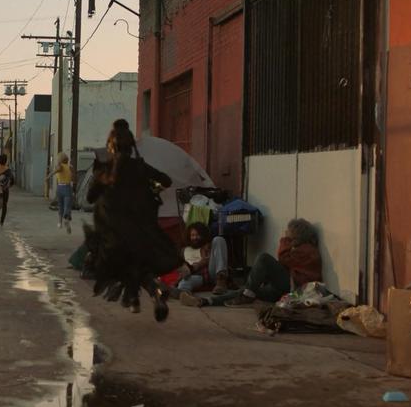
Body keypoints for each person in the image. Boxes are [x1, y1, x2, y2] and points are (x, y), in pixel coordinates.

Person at [86, 119, 181, 321]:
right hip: (141, 232)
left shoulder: (106, 170)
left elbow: (89, 198)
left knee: (113, 264)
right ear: (131, 146)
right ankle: (154, 292)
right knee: (141, 264)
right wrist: (152, 190)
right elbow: (166, 180)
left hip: (114, 235)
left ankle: (133, 299)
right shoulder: (140, 167)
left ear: (111, 145)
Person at [192, 218, 322, 307]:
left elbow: (283, 258)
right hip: (283, 288)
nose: (286, 233)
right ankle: (207, 301)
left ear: (296, 234)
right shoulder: (301, 249)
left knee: (264, 258)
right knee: (245, 291)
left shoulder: (307, 250)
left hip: (294, 288)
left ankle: (248, 293)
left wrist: (285, 240)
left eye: (288, 232)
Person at [167, 223, 231, 306]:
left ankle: (221, 279)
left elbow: (209, 260)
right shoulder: (184, 250)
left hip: (209, 273)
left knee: (219, 239)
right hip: (193, 276)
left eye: (198, 235)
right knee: (184, 282)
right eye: (192, 235)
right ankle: (187, 297)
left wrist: (196, 265)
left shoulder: (207, 246)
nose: (195, 237)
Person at [47, 152, 74, 233]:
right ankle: (66, 220)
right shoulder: (69, 167)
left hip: (59, 188)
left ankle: (60, 222)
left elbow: (56, 171)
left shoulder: (60, 166)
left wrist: (48, 176)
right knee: (67, 206)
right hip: (67, 187)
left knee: (60, 205)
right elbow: (73, 177)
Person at [0, 154, 15, 226]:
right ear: (6, 161)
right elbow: (12, 180)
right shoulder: (8, 170)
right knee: (5, 205)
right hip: (5, 189)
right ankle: (1, 221)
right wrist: (10, 185)